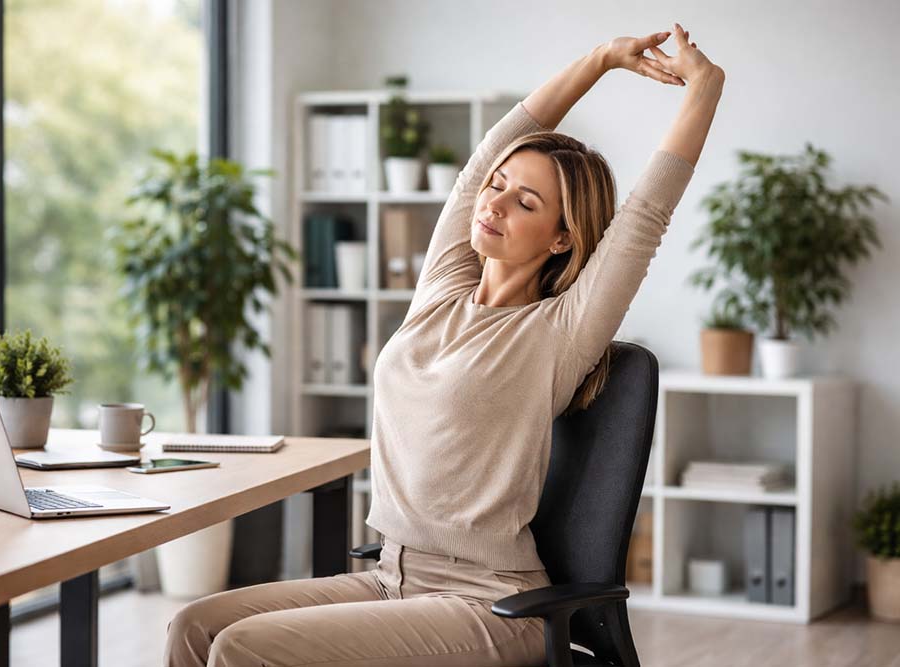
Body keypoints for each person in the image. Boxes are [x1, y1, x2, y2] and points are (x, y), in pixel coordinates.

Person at [165, 22, 723, 667]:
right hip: (391, 576)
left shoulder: (559, 331)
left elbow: (645, 217)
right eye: (497, 185)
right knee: (193, 626)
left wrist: (703, 88)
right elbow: (483, 159)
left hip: (490, 601)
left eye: (526, 202)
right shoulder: (443, 287)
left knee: (243, 649)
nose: (495, 203)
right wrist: (598, 60)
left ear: (562, 238)